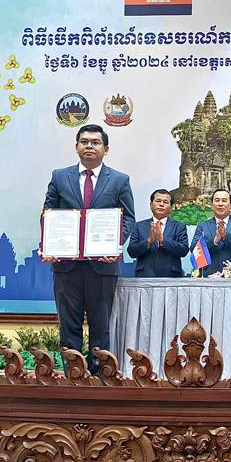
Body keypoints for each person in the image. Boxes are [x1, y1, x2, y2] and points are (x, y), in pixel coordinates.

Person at [42, 124, 135, 374]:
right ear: (76, 147)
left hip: (103, 266)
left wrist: (115, 245)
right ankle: (73, 375)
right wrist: (48, 245)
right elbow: (48, 213)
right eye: (84, 142)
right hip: (66, 266)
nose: (89, 146)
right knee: (69, 326)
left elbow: (128, 218)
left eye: (95, 142)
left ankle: (98, 378)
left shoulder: (119, 180)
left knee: (100, 327)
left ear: (106, 149)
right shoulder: (59, 177)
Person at [127, 189, 189, 277]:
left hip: (171, 277)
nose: (161, 204)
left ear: (171, 207)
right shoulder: (139, 226)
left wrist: (163, 240)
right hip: (145, 276)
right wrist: (149, 241)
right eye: (158, 201)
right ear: (151, 204)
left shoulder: (179, 226)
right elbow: (131, 252)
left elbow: (184, 250)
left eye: (165, 202)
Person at [190, 188, 231, 276]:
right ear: (212, 205)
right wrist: (214, 241)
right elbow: (193, 248)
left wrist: (226, 236)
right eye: (217, 200)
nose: (220, 204)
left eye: (224, 200)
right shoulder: (203, 225)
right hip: (207, 275)